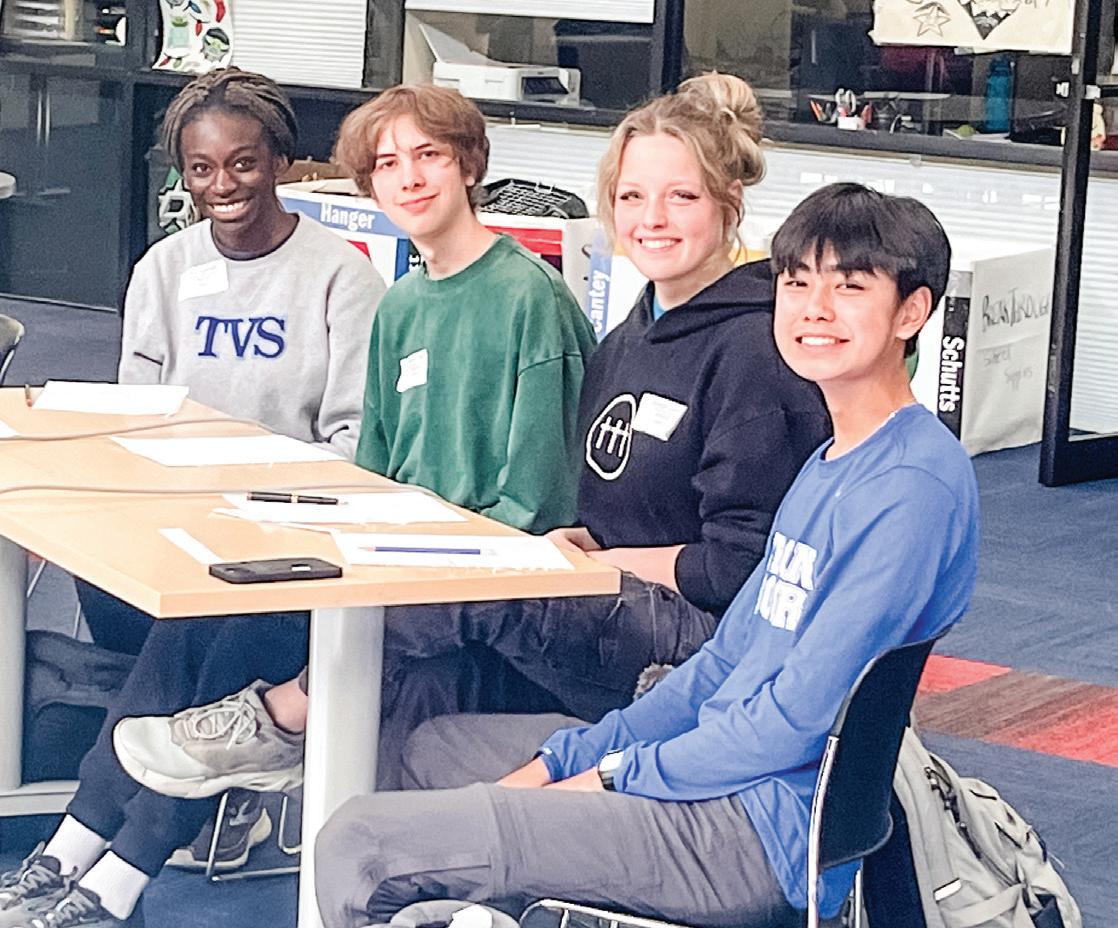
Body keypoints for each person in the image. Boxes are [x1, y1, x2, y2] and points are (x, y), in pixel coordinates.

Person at [107, 73, 831, 805]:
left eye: (682, 197)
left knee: (482, 581)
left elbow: (741, 568)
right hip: (607, 597)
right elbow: (622, 506)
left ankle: (280, 717)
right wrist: (587, 543)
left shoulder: (753, 350)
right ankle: (339, 843)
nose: (653, 219)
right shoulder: (632, 338)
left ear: (728, 203)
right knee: (406, 684)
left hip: (702, 649)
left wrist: (594, 559)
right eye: (632, 197)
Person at [308, 182, 982, 928]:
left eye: (849, 288)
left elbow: (795, 723)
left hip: (757, 833)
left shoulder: (913, 486)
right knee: (435, 748)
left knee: (360, 844)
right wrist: (574, 758)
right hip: (707, 781)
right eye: (797, 283)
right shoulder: (832, 459)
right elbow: (722, 664)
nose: (813, 309)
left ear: (911, 312)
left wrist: (612, 775)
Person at [0, 84, 594, 928]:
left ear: (469, 164)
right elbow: (380, 470)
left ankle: (118, 882)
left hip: (451, 585)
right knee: (195, 624)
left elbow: (529, 503)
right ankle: (75, 854)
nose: (408, 178)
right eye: (387, 164)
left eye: (428, 157)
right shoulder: (407, 302)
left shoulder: (521, 298)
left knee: (238, 621)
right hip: (358, 544)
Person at [75, 65, 387, 658]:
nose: (222, 185)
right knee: (95, 564)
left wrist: (249, 486)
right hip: (174, 510)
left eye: (242, 163)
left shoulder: (343, 278)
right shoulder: (162, 269)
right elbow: (133, 418)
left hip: (286, 522)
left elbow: (357, 443)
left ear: (280, 162)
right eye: (201, 168)